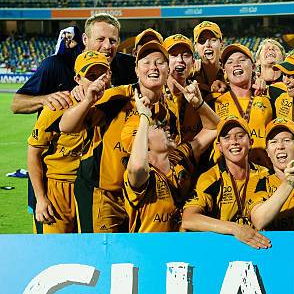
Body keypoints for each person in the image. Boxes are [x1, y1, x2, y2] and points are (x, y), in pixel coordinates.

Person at [60, 40, 174, 233]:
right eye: (146, 62)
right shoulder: (117, 96)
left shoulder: (167, 109)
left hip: (138, 195)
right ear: (136, 70)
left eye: (159, 62)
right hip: (102, 193)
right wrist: (88, 100)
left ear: (168, 70)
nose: (153, 67)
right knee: (100, 255)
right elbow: (66, 126)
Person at [27, 51, 110, 234]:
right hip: (57, 189)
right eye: (90, 76)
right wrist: (41, 199)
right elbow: (33, 153)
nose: (98, 81)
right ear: (77, 79)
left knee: (88, 251)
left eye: (102, 75)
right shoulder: (57, 106)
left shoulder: (111, 105)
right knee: (54, 251)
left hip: (93, 191)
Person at [123, 92, 217, 232]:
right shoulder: (142, 175)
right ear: (145, 142)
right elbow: (137, 167)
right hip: (149, 250)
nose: (166, 127)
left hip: (181, 248)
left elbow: (214, 127)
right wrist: (144, 118)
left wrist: (199, 103)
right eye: (157, 126)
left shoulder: (179, 157)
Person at [181, 117, 271, 249]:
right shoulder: (211, 178)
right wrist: (235, 229)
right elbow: (188, 219)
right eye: (227, 138)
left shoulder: (265, 174)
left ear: (251, 142)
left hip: (259, 246)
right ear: (219, 147)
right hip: (220, 249)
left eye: (240, 136)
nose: (234, 142)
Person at [210, 44, 273, 167]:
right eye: (230, 62)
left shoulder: (269, 96)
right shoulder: (214, 100)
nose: (236, 64)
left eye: (242, 60)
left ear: (253, 66)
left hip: (263, 173)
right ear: (224, 71)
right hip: (225, 176)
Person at [12, 26, 84, 114]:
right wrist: (44, 99)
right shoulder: (52, 64)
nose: (106, 46)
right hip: (53, 126)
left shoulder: (98, 66)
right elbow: (17, 104)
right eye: (65, 38)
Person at [164, 34, 219, 144]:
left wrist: (200, 104)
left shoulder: (202, 93)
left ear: (193, 62)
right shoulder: (154, 94)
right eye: (174, 55)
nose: (180, 60)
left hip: (191, 157)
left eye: (186, 55)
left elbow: (218, 127)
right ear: (163, 62)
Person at [192, 21, 224, 99]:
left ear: (221, 44)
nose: (207, 45)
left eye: (213, 40)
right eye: (202, 41)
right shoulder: (189, 77)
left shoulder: (231, 74)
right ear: (195, 47)